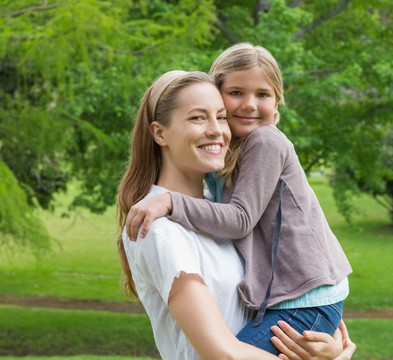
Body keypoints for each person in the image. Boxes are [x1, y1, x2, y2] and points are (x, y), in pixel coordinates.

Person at [125, 43, 353, 355]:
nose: (248, 105)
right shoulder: (164, 227)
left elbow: (239, 219)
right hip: (294, 300)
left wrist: (171, 202)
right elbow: (224, 354)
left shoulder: (264, 142)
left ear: (277, 106)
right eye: (234, 95)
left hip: (305, 298)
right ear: (159, 133)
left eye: (262, 95)